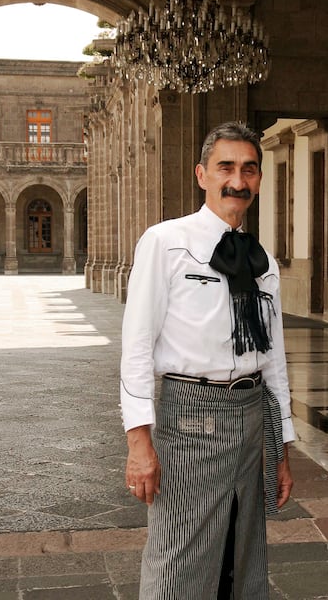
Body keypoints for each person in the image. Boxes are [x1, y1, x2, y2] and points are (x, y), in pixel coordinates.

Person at [120, 121, 294, 600]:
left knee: (244, 555)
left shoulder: (263, 260)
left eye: (248, 169)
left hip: (255, 415)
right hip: (192, 414)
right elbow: (136, 346)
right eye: (226, 167)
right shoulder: (165, 242)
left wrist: (283, 447)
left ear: (258, 179)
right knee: (180, 554)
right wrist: (139, 442)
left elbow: (273, 355)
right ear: (202, 174)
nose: (237, 180)